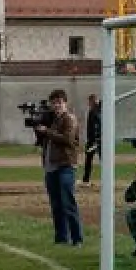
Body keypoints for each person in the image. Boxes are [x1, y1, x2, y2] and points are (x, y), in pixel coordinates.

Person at [37, 89, 83, 245]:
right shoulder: (54, 120)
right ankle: (61, 237)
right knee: (56, 204)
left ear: (65, 103)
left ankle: (77, 238)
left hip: (65, 165)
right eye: (54, 102)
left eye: (59, 102)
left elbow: (68, 139)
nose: (56, 105)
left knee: (67, 202)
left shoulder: (69, 119)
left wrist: (47, 132)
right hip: (52, 167)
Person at [82, 94, 102, 185]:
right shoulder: (99, 110)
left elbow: (94, 127)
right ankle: (86, 180)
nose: (89, 104)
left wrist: (93, 141)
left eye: (90, 102)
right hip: (98, 139)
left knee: (89, 159)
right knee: (91, 159)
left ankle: (86, 180)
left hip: (95, 140)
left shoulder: (94, 111)